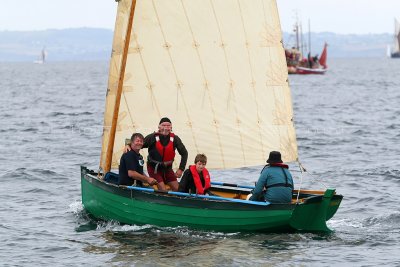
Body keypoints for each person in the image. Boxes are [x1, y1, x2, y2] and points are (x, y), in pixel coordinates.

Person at [125, 117, 188, 191]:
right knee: (163, 190)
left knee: (178, 190)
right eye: (163, 125)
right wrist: (127, 144)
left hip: (168, 170)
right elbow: (138, 144)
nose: (166, 128)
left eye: (168, 126)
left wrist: (181, 169)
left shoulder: (175, 139)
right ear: (159, 127)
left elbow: (184, 153)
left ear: (171, 127)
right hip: (154, 169)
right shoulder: (152, 137)